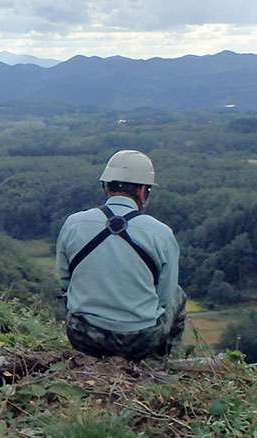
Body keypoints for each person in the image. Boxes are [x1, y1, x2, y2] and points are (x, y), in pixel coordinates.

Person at [54, 150, 186, 361]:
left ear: (106, 187)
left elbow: (65, 281)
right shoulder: (161, 233)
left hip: (83, 337)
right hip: (139, 343)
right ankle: (160, 361)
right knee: (178, 295)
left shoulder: (74, 223)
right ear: (143, 191)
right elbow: (164, 298)